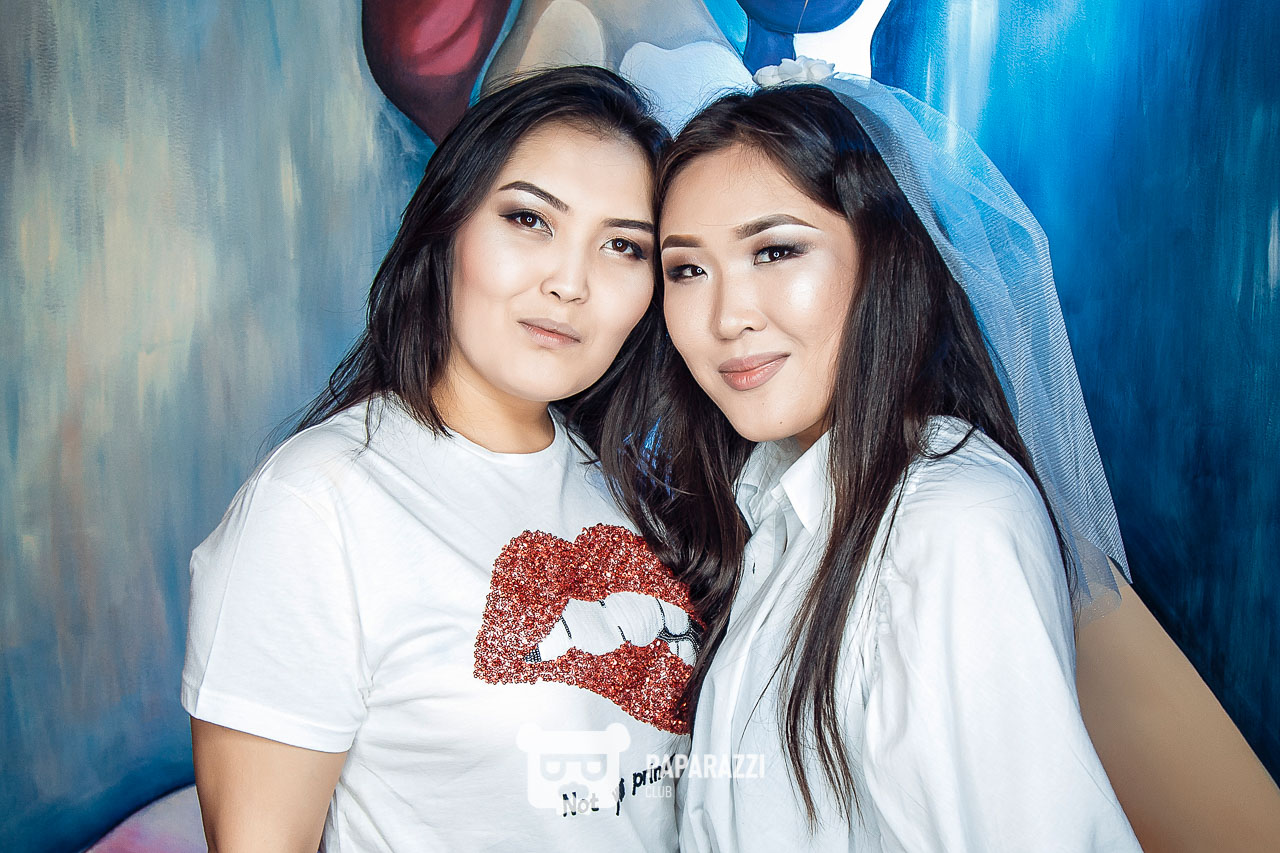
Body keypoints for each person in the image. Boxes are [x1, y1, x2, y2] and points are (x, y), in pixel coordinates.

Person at [607, 74, 1145, 850]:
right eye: (687, 268)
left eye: (775, 250)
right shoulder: (770, 499)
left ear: (883, 260)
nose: (727, 316)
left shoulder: (949, 524)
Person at [181, 66, 700, 852]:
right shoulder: (315, 507)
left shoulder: (630, 494)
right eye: (529, 219)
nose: (570, 282)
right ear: (447, 227)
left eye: (622, 245)